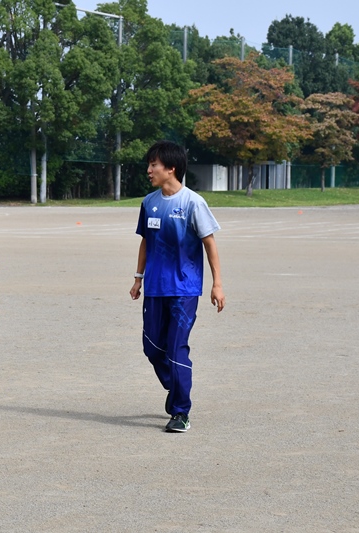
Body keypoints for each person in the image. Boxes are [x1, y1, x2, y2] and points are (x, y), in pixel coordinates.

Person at [129, 140, 225, 433]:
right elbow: (145, 240)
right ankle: (178, 388)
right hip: (155, 288)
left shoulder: (192, 202)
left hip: (184, 289)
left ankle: (181, 411)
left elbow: (209, 242)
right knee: (152, 349)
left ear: (171, 168)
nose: (149, 170)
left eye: (153, 165)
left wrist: (217, 284)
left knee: (175, 348)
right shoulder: (149, 202)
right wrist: (138, 278)